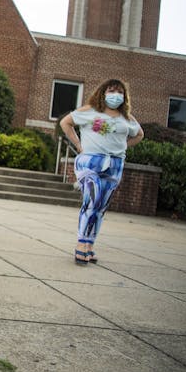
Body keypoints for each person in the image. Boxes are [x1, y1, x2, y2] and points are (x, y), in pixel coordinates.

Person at [60, 79, 144, 265]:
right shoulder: (90, 111)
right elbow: (66, 123)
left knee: (100, 207)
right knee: (93, 200)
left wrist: (123, 147)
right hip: (90, 162)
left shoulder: (127, 118)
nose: (116, 95)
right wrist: (79, 145)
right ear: (103, 93)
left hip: (114, 165)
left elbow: (139, 134)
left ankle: (90, 245)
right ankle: (81, 244)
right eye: (112, 90)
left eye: (120, 92)